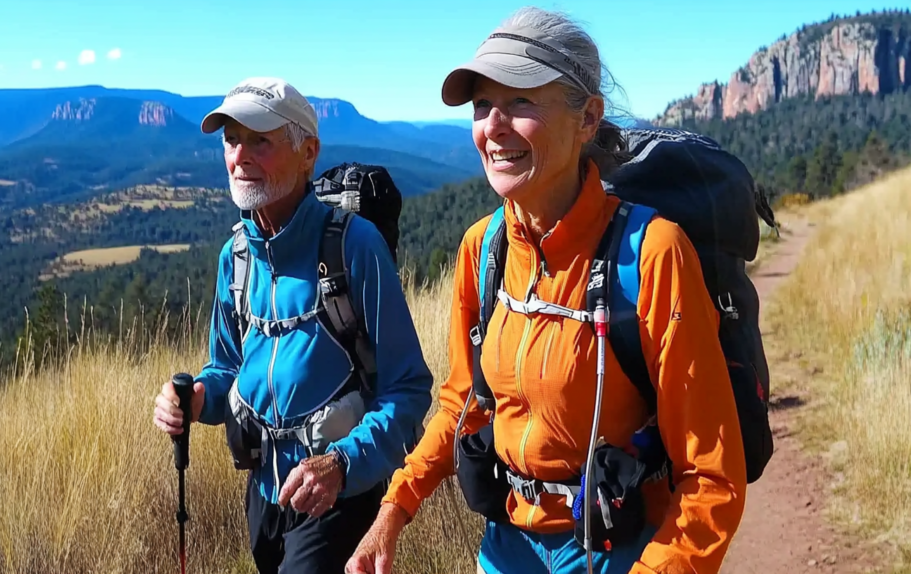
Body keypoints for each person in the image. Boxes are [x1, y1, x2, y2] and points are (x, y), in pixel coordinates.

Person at [346, 7, 748, 574]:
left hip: (618, 548)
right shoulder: (483, 251)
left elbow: (710, 476)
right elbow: (464, 402)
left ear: (587, 119)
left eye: (521, 101)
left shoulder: (653, 254)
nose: (493, 126)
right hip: (506, 547)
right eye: (483, 105)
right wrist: (393, 511)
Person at [152, 76, 434, 574]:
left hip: (336, 494)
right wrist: (198, 396)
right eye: (231, 140)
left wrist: (343, 464)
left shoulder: (353, 247)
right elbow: (228, 367)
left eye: (260, 140)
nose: (241, 155)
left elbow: (409, 388)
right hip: (264, 492)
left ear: (308, 152)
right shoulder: (235, 257)